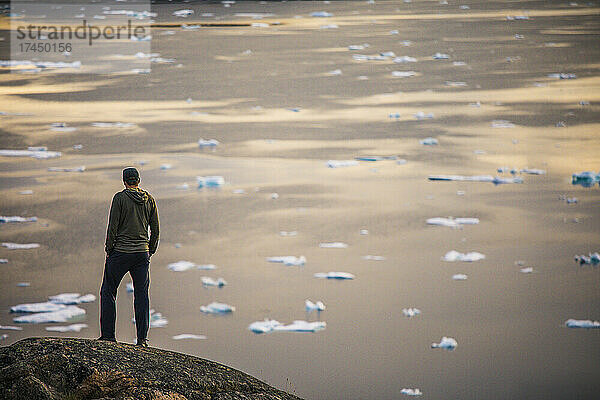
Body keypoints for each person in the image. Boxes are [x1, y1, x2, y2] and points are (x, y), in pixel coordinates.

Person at [99, 167, 159, 346]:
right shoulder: (149, 199)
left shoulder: (120, 198)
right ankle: (142, 339)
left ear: (124, 181)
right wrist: (150, 249)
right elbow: (155, 229)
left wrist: (109, 249)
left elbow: (113, 227)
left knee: (108, 291)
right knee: (141, 295)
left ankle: (108, 336)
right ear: (138, 180)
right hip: (141, 254)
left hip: (121, 252)